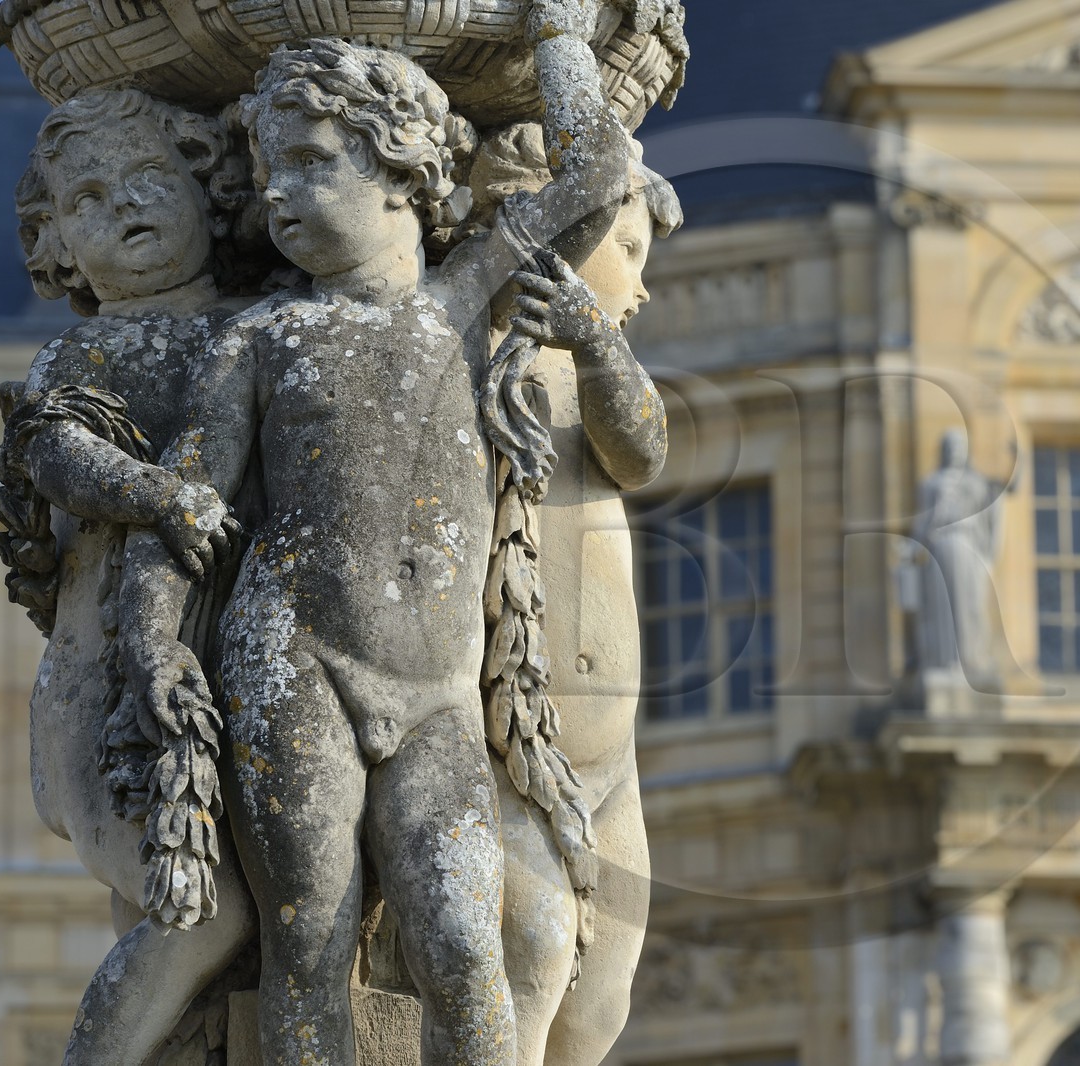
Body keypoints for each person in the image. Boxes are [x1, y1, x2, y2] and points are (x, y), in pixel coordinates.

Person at [117, 34, 631, 1064]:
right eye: (269, 178)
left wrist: (565, 38)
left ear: (401, 164)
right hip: (291, 661)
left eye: (311, 162)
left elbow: (600, 175)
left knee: (462, 942)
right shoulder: (259, 339)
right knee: (307, 934)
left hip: (436, 689)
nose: (280, 199)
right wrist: (155, 643)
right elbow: (180, 510)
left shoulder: (466, 297)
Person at [0, 87, 256, 1065]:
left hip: (219, 689)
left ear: (208, 187)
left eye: (153, 180)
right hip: (108, 687)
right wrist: (157, 495)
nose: (128, 208)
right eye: (91, 200)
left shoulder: (254, 332)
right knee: (206, 912)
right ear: (55, 242)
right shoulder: (90, 349)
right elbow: (57, 456)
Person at [457, 125, 674, 1066]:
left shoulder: (585, 378)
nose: (643, 283)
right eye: (627, 248)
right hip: (504, 737)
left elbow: (644, 448)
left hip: (610, 757)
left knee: (601, 1007)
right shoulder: (461, 356)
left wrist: (589, 338)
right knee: (534, 963)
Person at [910, 429, 1001, 683]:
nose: (955, 451)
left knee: (970, 605)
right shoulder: (931, 483)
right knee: (943, 607)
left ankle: (972, 660)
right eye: (950, 446)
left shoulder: (974, 482)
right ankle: (945, 661)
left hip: (967, 544)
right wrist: (912, 548)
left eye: (960, 446)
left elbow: (998, 494)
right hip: (941, 546)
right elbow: (923, 521)